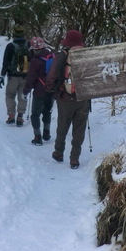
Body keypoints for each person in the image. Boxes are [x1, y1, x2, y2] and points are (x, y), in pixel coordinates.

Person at [45, 30, 90, 169]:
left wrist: (50, 89)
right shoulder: (88, 55)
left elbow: (52, 74)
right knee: (79, 130)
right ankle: (74, 159)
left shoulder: (63, 55)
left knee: (62, 126)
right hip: (83, 99)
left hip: (65, 98)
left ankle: (58, 153)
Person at [22, 37, 55, 146]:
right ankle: (47, 134)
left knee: (35, 115)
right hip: (51, 90)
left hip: (40, 91)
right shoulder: (52, 56)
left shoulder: (36, 60)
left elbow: (31, 78)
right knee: (47, 111)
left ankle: (37, 137)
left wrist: (25, 91)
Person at [0, 25, 29, 126]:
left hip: (12, 76)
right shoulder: (28, 45)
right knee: (22, 96)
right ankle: (20, 117)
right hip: (25, 76)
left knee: (10, 95)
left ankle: (11, 116)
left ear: (14, 34)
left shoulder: (10, 46)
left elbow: (5, 62)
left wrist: (2, 76)